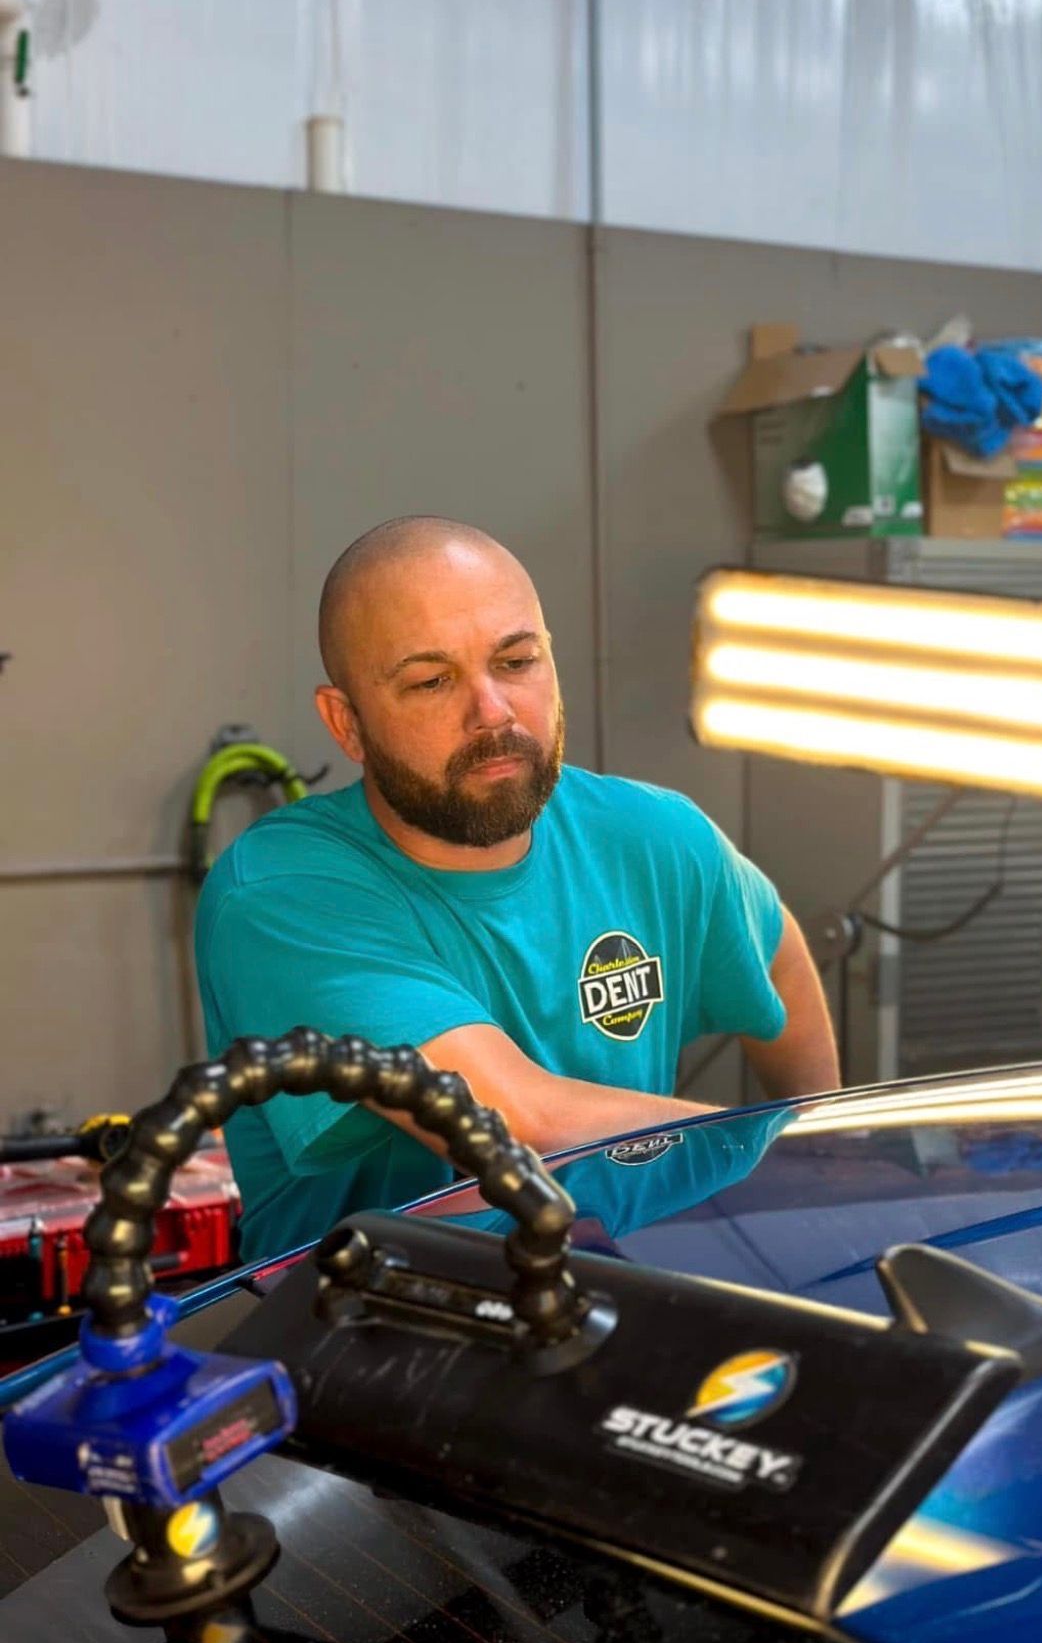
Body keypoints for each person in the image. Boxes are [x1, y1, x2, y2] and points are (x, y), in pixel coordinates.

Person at [195, 516, 839, 1259]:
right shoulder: (283, 892)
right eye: (432, 681)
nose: (493, 713)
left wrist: (814, 1137)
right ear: (347, 723)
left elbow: (776, 954)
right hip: (393, 1333)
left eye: (516, 661)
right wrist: (775, 1171)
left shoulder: (652, 834)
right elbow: (513, 1120)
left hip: (643, 1289)